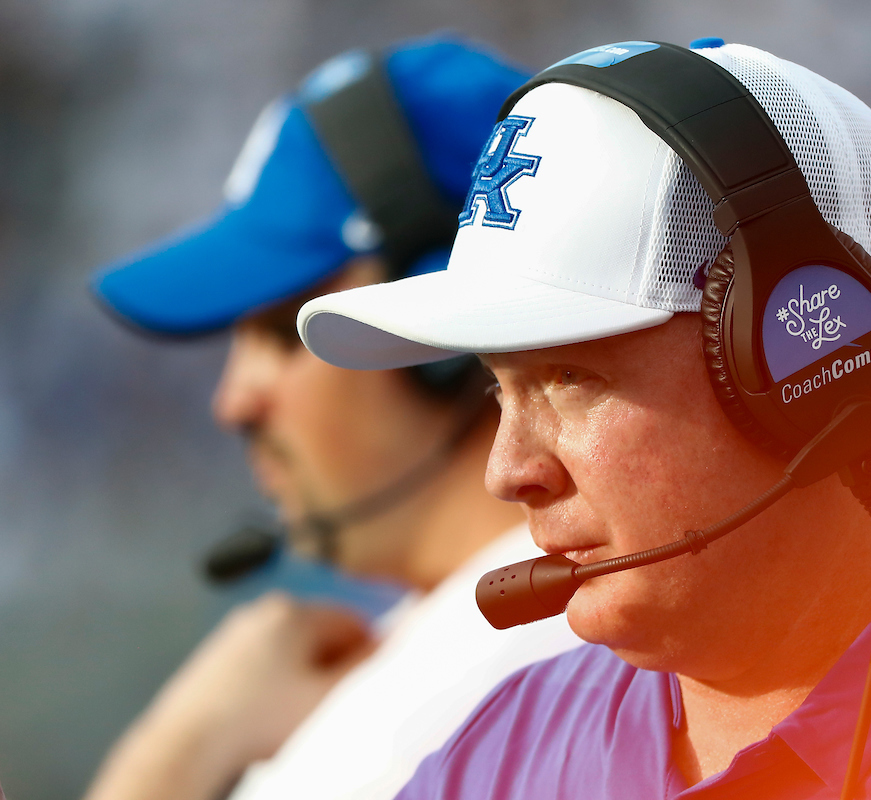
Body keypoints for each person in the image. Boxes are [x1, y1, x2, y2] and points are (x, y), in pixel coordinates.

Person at [299, 39, 871, 799]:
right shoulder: (498, 758)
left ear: (812, 371)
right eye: (502, 389)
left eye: (572, 376)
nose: (509, 470)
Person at [83, 36, 578, 800]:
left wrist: (174, 756)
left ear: (443, 342)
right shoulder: (478, 642)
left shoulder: (485, 692)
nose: (234, 402)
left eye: (286, 331)